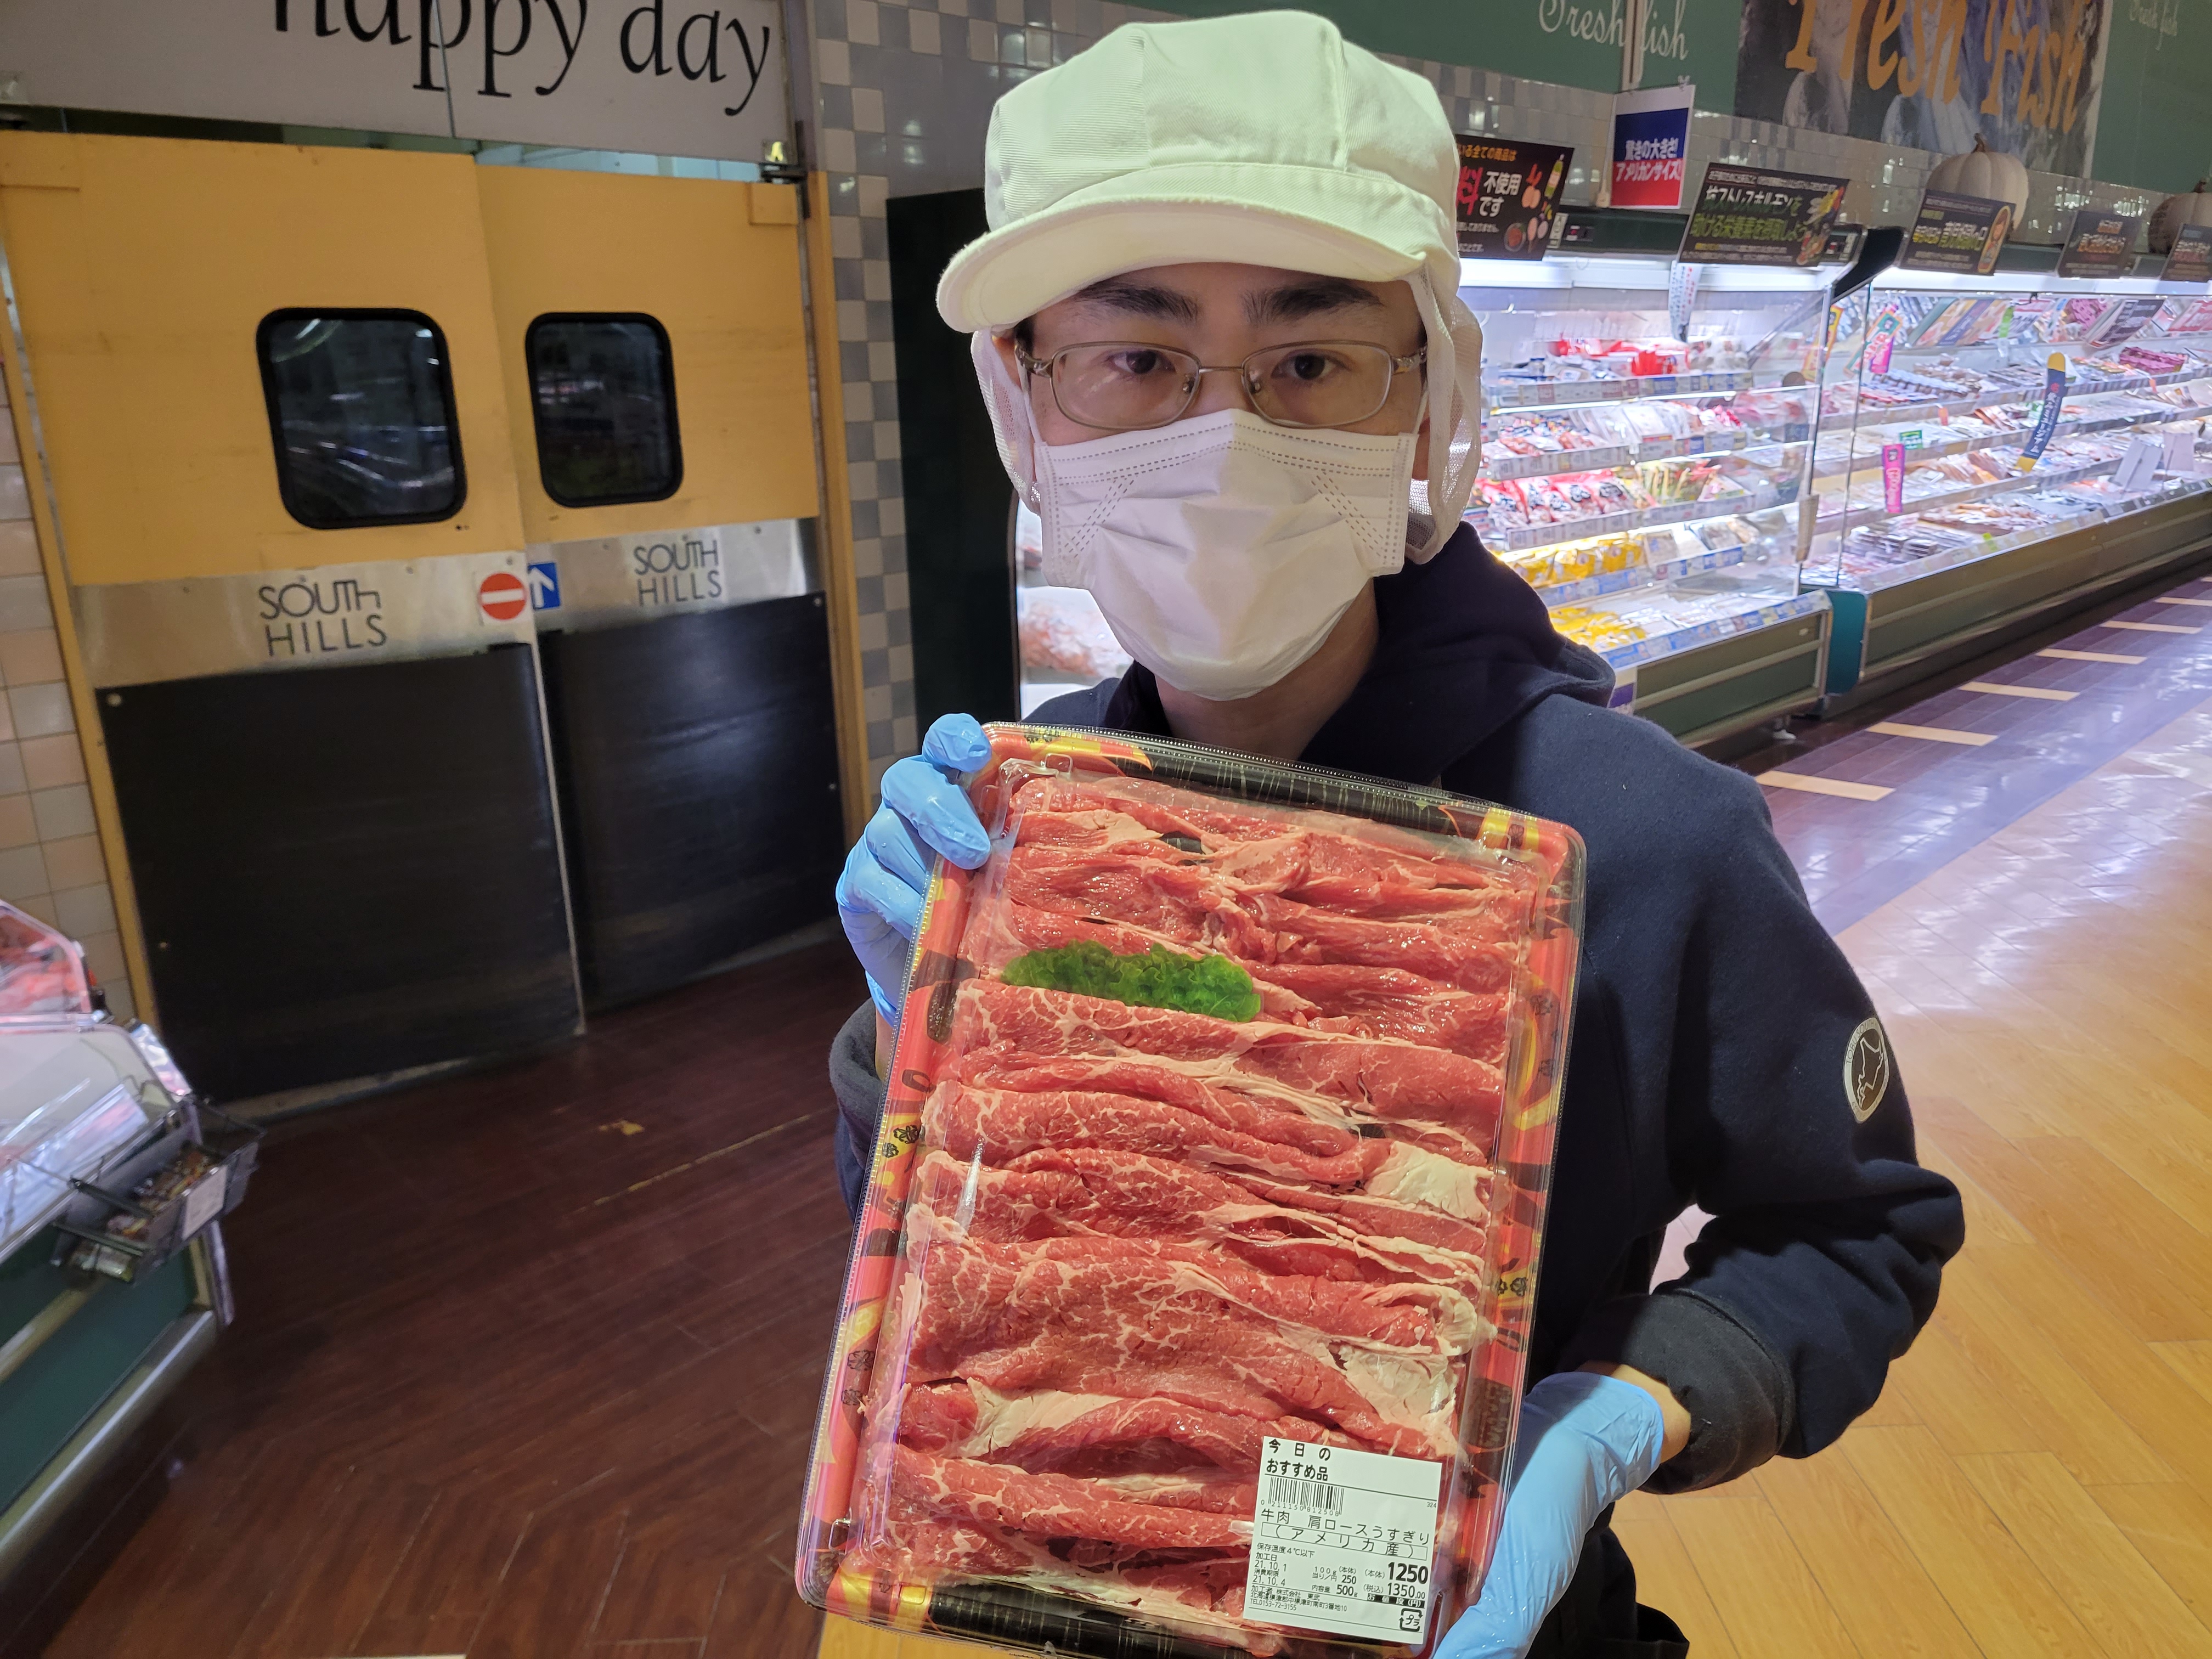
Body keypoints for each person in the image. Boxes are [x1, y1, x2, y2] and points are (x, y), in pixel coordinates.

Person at [830, 13, 1965, 1657]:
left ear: (1427, 399)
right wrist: (911, 1045)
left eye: (1310, 362)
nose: (1224, 441)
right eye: (1133, 358)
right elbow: (952, 1269)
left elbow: (1861, 1227)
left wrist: (1623, 1411)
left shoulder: (1646, 838)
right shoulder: (1027, 829)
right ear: (1024, 405)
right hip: (1091, 1581)